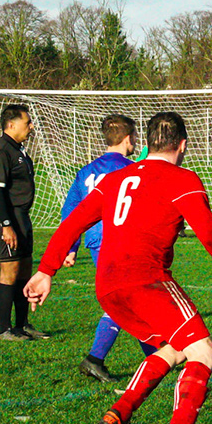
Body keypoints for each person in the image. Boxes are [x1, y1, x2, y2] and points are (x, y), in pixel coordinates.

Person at [25, 111, 212, 424]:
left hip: (108, 286)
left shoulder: (116, 178)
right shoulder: (182, 179)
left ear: (149, 143)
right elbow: (210, 233)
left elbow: (73, 222)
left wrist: (46, 270)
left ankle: (118, 415)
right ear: (182, 145)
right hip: (147, 280)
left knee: (174, 349)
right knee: (205, 352)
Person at [60, 114, 157, 383]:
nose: (135, 142)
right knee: (125, 298)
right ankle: (95, 358)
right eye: (134, 137)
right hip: (120, 240)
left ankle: (156, 355)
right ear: (128, 139)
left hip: (95, 241)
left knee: (130, 297)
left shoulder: (86, 172)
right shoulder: (131, 170)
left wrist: (71, 246)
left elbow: (71, 211)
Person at [0, 103, 49, 341]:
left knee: (24, 269)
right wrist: (6, 224)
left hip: (21, 216)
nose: (31, 127)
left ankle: (22, 325)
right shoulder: (0, 152)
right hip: (7, 217)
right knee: (9, 270)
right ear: (11, 125)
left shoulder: (19, 150)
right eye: (27, 122)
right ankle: (4, 329)